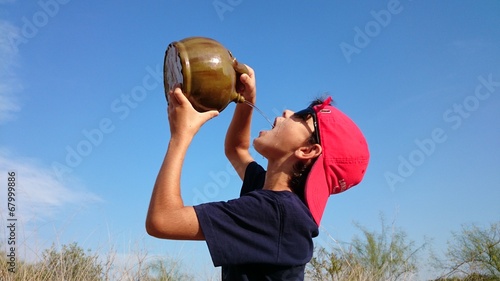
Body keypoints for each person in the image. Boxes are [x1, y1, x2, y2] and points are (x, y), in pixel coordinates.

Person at [146, 65, 370, 280]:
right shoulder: (274, 197)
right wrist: (245, 100)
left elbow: (162, 220)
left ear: (307, 150)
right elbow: (236, 149)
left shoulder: (276, 213)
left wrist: (180, 136)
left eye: (301, 117)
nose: (287, 112)